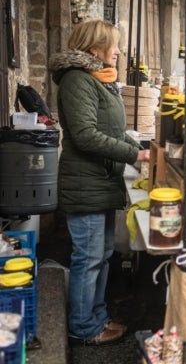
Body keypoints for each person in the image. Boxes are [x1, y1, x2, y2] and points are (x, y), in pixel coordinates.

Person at [49, 20, 151, 346]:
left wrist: (140, 149)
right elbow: (86, 136)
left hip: (101, 181)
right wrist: (137, 157)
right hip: (86, 182)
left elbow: (112, 130)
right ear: (95, 49)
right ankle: (83, 328)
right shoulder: (77, 81)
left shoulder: (100, 79)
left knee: (102, 255)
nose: (119, 51)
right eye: (114, 45)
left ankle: (97, 317)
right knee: (89, 259)